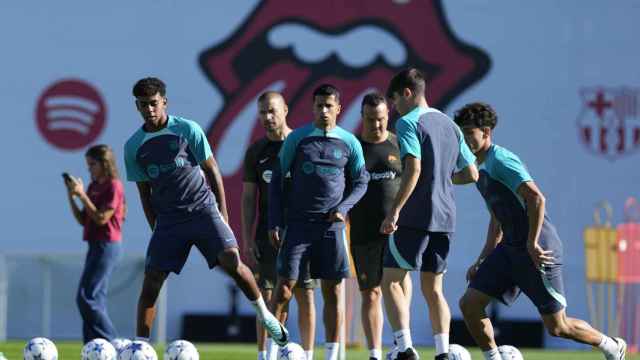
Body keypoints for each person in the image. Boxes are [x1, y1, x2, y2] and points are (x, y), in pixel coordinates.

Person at [454, 102, 627, 360]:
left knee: (558, 327)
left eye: (470, 133)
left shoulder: (501, 160)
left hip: (538, 248)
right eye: (462, 134)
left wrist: (532, 243)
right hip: (509, 249)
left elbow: (537, 199)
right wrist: (482, 259)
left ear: (487, 132)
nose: (465, 140)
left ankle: (611, 344)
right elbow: (496, 219)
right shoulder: (478, 168)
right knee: (470, 303)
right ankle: (493, 357)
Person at [123, 77, 288, 345]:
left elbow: (212, 171)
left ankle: (265, 315)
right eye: (143, 105)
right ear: (137, 107)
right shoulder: (133, 146)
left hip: (203, 210)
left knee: (232, 262)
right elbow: (144, 193)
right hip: (169, 220)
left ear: (164, 101)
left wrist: (222, 213)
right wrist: (156, 226)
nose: (149, 110)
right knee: (151, 281)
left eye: (153, 103)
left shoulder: (188, 130)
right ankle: (140, 347)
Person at [379, 68, 479, 360]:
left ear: (407, 93)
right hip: (446, 217)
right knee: (433, 288)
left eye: (395, 100)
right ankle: (443, 353)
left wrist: (394, 211)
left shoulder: (408, 123)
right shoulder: (450, 125)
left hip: (416, 215)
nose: (395, 107)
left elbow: (414, 169)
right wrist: (444, 178)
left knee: (392, 279)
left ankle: (405, 348)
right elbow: (471, 173)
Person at [268, 84, 369, 360]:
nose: (323, 111)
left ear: (338, 108)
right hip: (298, 226)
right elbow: (277, 180)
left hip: (331, 229)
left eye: (329, 106)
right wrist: (274, 222)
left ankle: (331, 355)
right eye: (318, 106)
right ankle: (268, 353)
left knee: (333, 291)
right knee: (284, 288)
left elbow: (362, 181)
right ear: (312, 108)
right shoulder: (297, 139)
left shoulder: (350, 142)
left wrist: (343, 208)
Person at [242, 91, 317, 360]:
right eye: (262, 112)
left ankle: (307, 355)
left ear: (286, 109)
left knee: (304, 294)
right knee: (267, 298)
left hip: (303, 232)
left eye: (272, 111)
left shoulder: (304, 145)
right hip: (268, 234)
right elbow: (249, 197)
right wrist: (248, 238)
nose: (267, 117)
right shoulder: (256, 152)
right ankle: (266, 355)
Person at [349, 92, 412, 360]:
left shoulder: (399, 146)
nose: (376, 125)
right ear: (362, 117)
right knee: (371, 294)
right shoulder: (353, 150)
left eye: (382, 119)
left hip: (397, 233)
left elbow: (413, 184)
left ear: (389, 117)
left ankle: (402, 345)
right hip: (363, 233)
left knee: (400, 287)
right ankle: (374, 353)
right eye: (371, 119)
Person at [64, 144, 126, 343]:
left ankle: (112, 342)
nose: (89, 169)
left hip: (107, 245)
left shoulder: (114, 186)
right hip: (94, 244)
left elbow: (101, 218)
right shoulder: (93, 187)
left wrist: (82, 195)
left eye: (92, 164)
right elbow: (84, 219)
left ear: (104, 163)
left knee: (86, 297)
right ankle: (92, 346)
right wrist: (72, 195)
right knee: (94, 298)